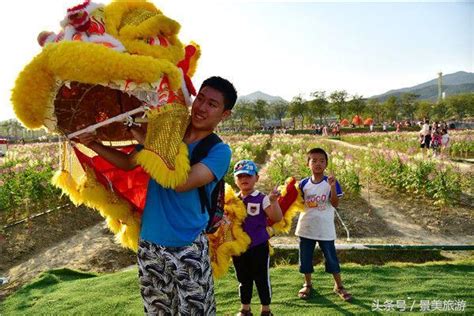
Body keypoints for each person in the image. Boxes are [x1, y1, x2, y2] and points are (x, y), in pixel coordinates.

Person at [77, 76, 237, 315]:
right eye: (200, 99)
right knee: (157, 311)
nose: (202, 107)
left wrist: (146, 137)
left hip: (188, 246)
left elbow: (181, 182)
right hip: (150, 244)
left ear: (225, 114)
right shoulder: (168, 133)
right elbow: (129, 162)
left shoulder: (218, 151)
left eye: (212, 104)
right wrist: (94, 144)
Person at [296, 148, 352, 302]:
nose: (318, 164)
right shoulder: (303, 184)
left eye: (321, 161)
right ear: (308, 164)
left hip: (325, 229)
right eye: (314, 161)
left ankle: (339, 285)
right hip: (306, 228)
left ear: (326, 164)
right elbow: (298, 203)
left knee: (331, 258)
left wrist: (333, 187)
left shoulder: (330, 182)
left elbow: (335, 204)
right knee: (305, 258)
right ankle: (307, 284)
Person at [232, 159, 282, 316]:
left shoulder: (262, 198)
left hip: (259, 246)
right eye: (240, 176)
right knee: (243, 278)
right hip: (239, 247)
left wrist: (273, 201)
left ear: (257, 178)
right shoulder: (232, 200)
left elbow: (277, 217)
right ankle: (245, 308)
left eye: (248, 175)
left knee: (261, 278)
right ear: (235, 179)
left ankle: (266, 309)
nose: (244, 179)